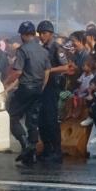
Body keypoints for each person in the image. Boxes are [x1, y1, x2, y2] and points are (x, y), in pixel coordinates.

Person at [6, 22, 49, 164]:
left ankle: (26, 147)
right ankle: (32, 150)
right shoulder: (43, 50)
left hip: (25, 88)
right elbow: (47, 71)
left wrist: (5, 83)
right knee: (32, 120)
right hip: (38, 89)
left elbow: (18, 71)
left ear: (23, 35)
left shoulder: (22, 50)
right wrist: (42, 86)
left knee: (12, 117)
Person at [33, 20, 72, 164]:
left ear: (50, 34)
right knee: (42, 120)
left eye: (44, 33)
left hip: (53, 86)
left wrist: (49, 70)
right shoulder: (41, 48)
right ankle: (47, 148)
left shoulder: (57, 48)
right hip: (43, 86)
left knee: (51, 119)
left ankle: (57, 150)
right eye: (40, 33)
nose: (41, 36)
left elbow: (66, 67)